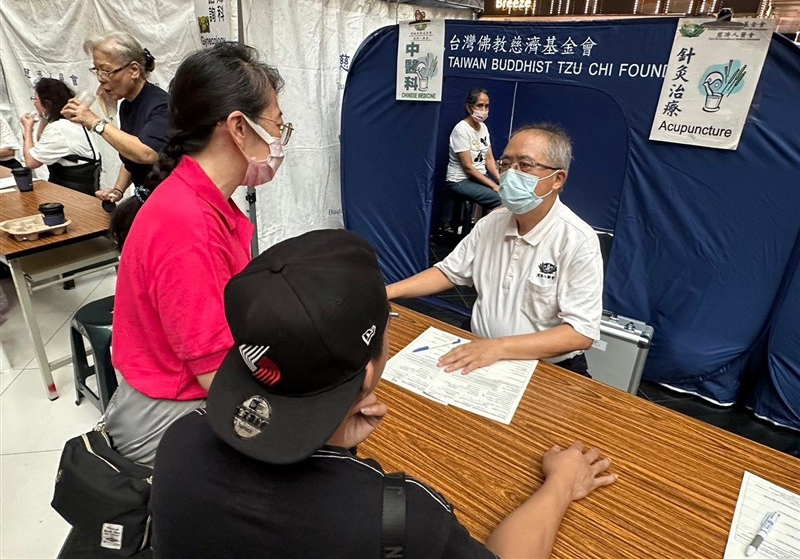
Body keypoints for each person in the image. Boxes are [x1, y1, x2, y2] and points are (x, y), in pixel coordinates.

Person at [149, 229, 617, 558]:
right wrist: (559, 485)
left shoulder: (177, 443)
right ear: (371, 371)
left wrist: (337, 438)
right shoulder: (397, 516)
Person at [101, 42, 291, 467]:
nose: (280, 140)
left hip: (183, 388)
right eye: (278, 125)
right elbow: (216, 376)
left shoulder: (205, 200)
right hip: (169, 413)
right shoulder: (187, 224)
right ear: (239, 128)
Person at [388, 124, 603, 378]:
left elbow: (580, 333)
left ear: (557, 179)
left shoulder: (578, 241)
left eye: (525, 165)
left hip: (545, 369)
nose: (511, 174)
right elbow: (448, 272)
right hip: (480, 353)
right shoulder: (491, 223)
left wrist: (499, 347)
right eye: (506, 164)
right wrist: (385, 293)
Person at [61, 31, 169, 203]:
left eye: (106, 71)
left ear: (134, 70)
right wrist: (118, 190)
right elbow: (130, 154)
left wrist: (95, 122)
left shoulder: (161, 104)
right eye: (96, 71)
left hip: (169, 203)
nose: (101, 80)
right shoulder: (126, 104)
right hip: (146, 199)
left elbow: (147, 153)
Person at [19, 78, 100, 195]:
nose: (34, 103)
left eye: (35, 99)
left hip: (72, 194)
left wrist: (27, 129)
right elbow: (42, 141)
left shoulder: (59, 128)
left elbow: (31, 162)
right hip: (83, 190)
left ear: (47, 103)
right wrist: (44, 115)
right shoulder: (73, 123)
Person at [445, 88, 502, 212]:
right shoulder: (461, 130)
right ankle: (487, 230)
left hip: (479, 177)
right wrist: (494, 186)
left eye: (486, 106)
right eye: (480, 106)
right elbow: (468, 168)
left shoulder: (483, 128)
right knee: (500, 199)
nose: (484, 110)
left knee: (510, 195)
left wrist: (500, 180)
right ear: (469, 107)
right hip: (460, 180)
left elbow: (489, 158)